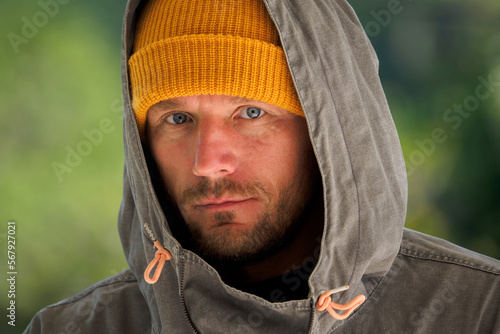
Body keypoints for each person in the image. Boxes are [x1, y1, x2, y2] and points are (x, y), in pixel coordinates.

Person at [25, 0, 500, 333]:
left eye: (251, 113)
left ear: (326, 130)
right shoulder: (73, 329)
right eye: (177, 118)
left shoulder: (478, 313)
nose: (208, 162)